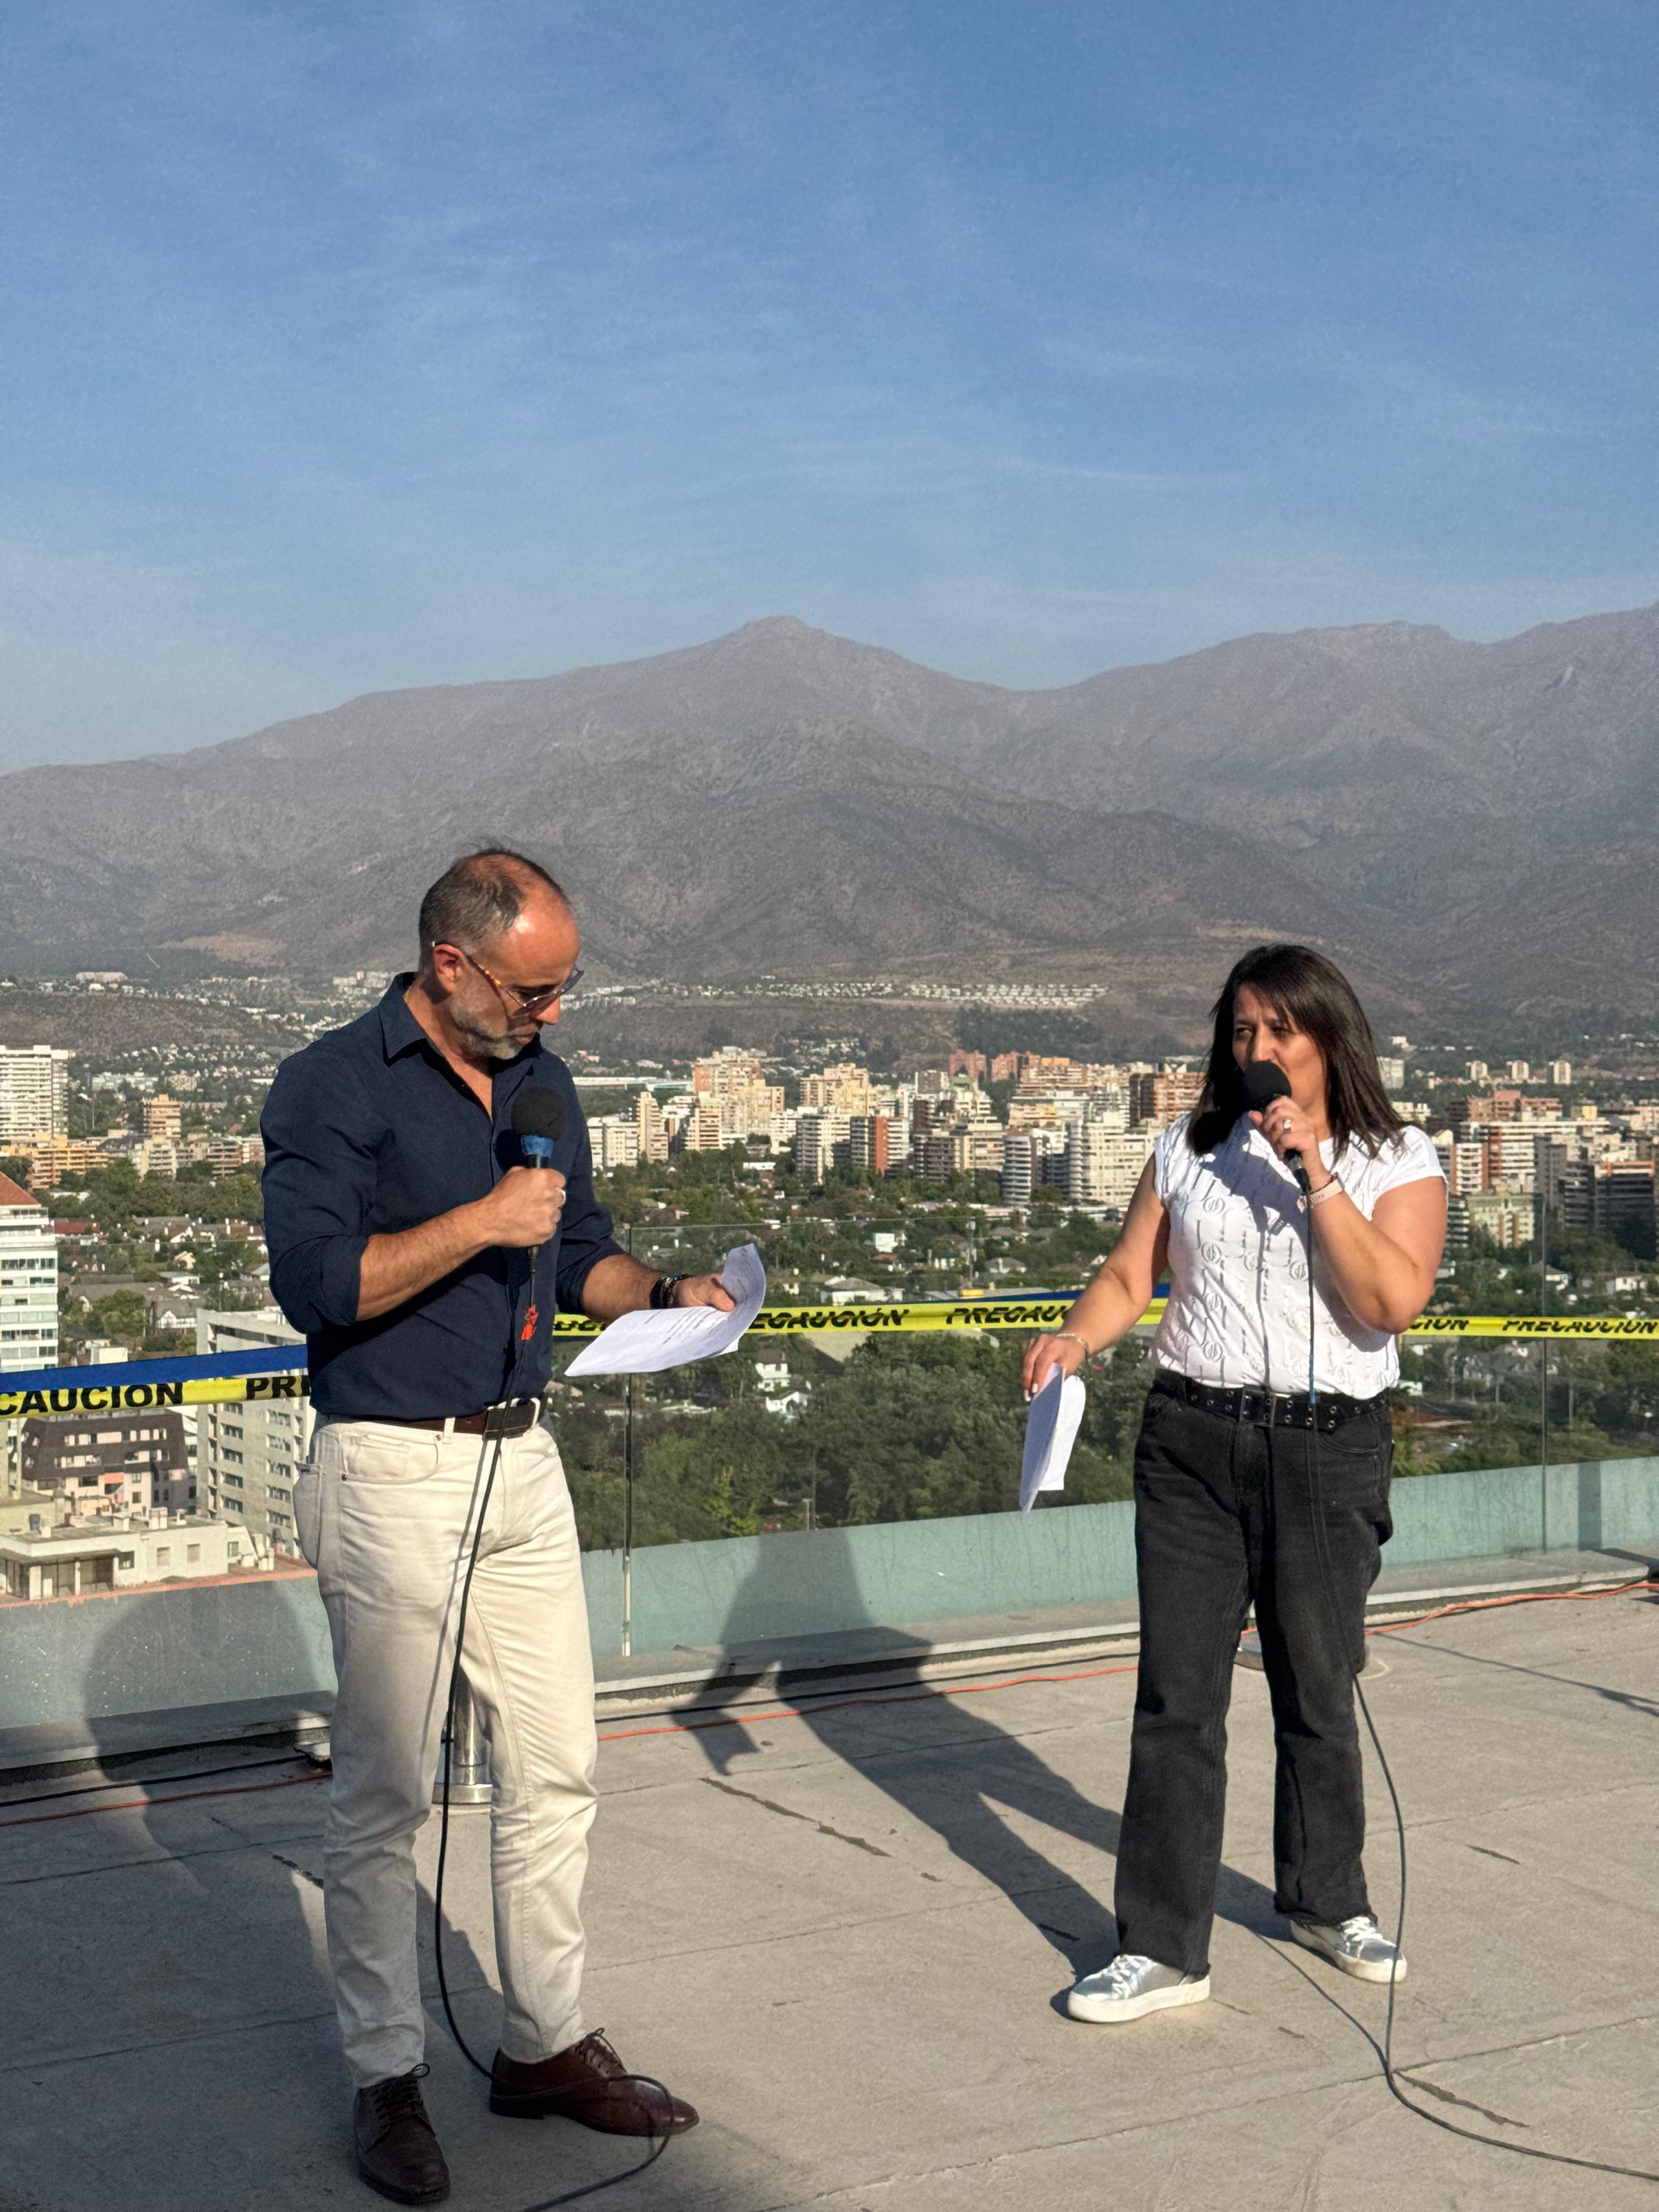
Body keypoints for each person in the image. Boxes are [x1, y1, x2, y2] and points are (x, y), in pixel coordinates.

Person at [263, 848, 733, 2206]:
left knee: (557, 1770)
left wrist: (666, 1291)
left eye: (566, 987)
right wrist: (481, 1222)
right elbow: (319, 1286)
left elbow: (574, 1250)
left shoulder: (544, 1085)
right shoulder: (332, 1084)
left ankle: (542, 2045)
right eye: (533, 990)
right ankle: (387, 2077)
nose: (553, 1012)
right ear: (451, 964)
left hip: (524, 1464)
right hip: (391, 1471)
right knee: (385, 1797)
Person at [1020, 944, 1446, 2027]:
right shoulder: (1186, 1147)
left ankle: (1327, 1900)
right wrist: (1076, 1338)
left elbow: (1390, 1302)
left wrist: (1317, 1173)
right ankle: (1161, 1948)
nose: (1258, 1048)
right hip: (1192, 1441)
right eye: (1242, 1030)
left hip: (1327, 1446)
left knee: (1318, 1684)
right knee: (1177, 1699)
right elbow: (1132, 1273)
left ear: (1329, 1040)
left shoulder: (1397, 1159)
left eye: (1280, 1030)